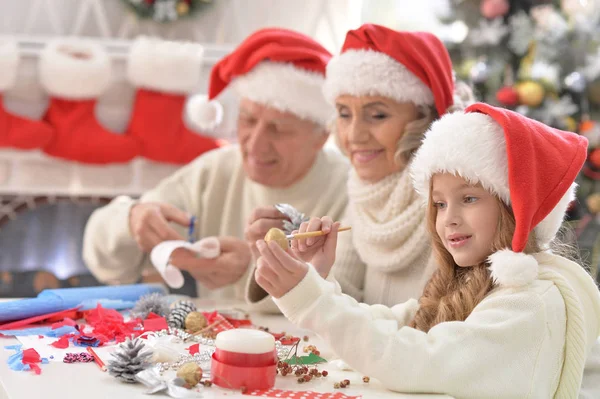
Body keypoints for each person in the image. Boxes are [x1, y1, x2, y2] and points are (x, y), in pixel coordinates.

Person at [254, 103, 600, 397]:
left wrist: (315, 302)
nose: (449, 219)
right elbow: (396, 325)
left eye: (468, 199)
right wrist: (318, 283)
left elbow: (423, 360)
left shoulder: (531, 302)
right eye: (439, 203)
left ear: (517, 209)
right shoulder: (471, 283)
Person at [83, 28, 350, 300]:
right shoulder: (215, 171)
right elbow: (102, 257)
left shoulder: (348, 189)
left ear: (322, 136)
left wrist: (252, 270)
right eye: (247, 120)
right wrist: (132, 220)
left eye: (278, 129)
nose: (255, 145)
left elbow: (353, 300)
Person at [246, 24, 472, 307]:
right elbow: (347, 301)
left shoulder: (458, 199)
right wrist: (303, 269)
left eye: (377, 115)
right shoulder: (368, 188)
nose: (354, 135)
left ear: (426, 117)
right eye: (343, 113)